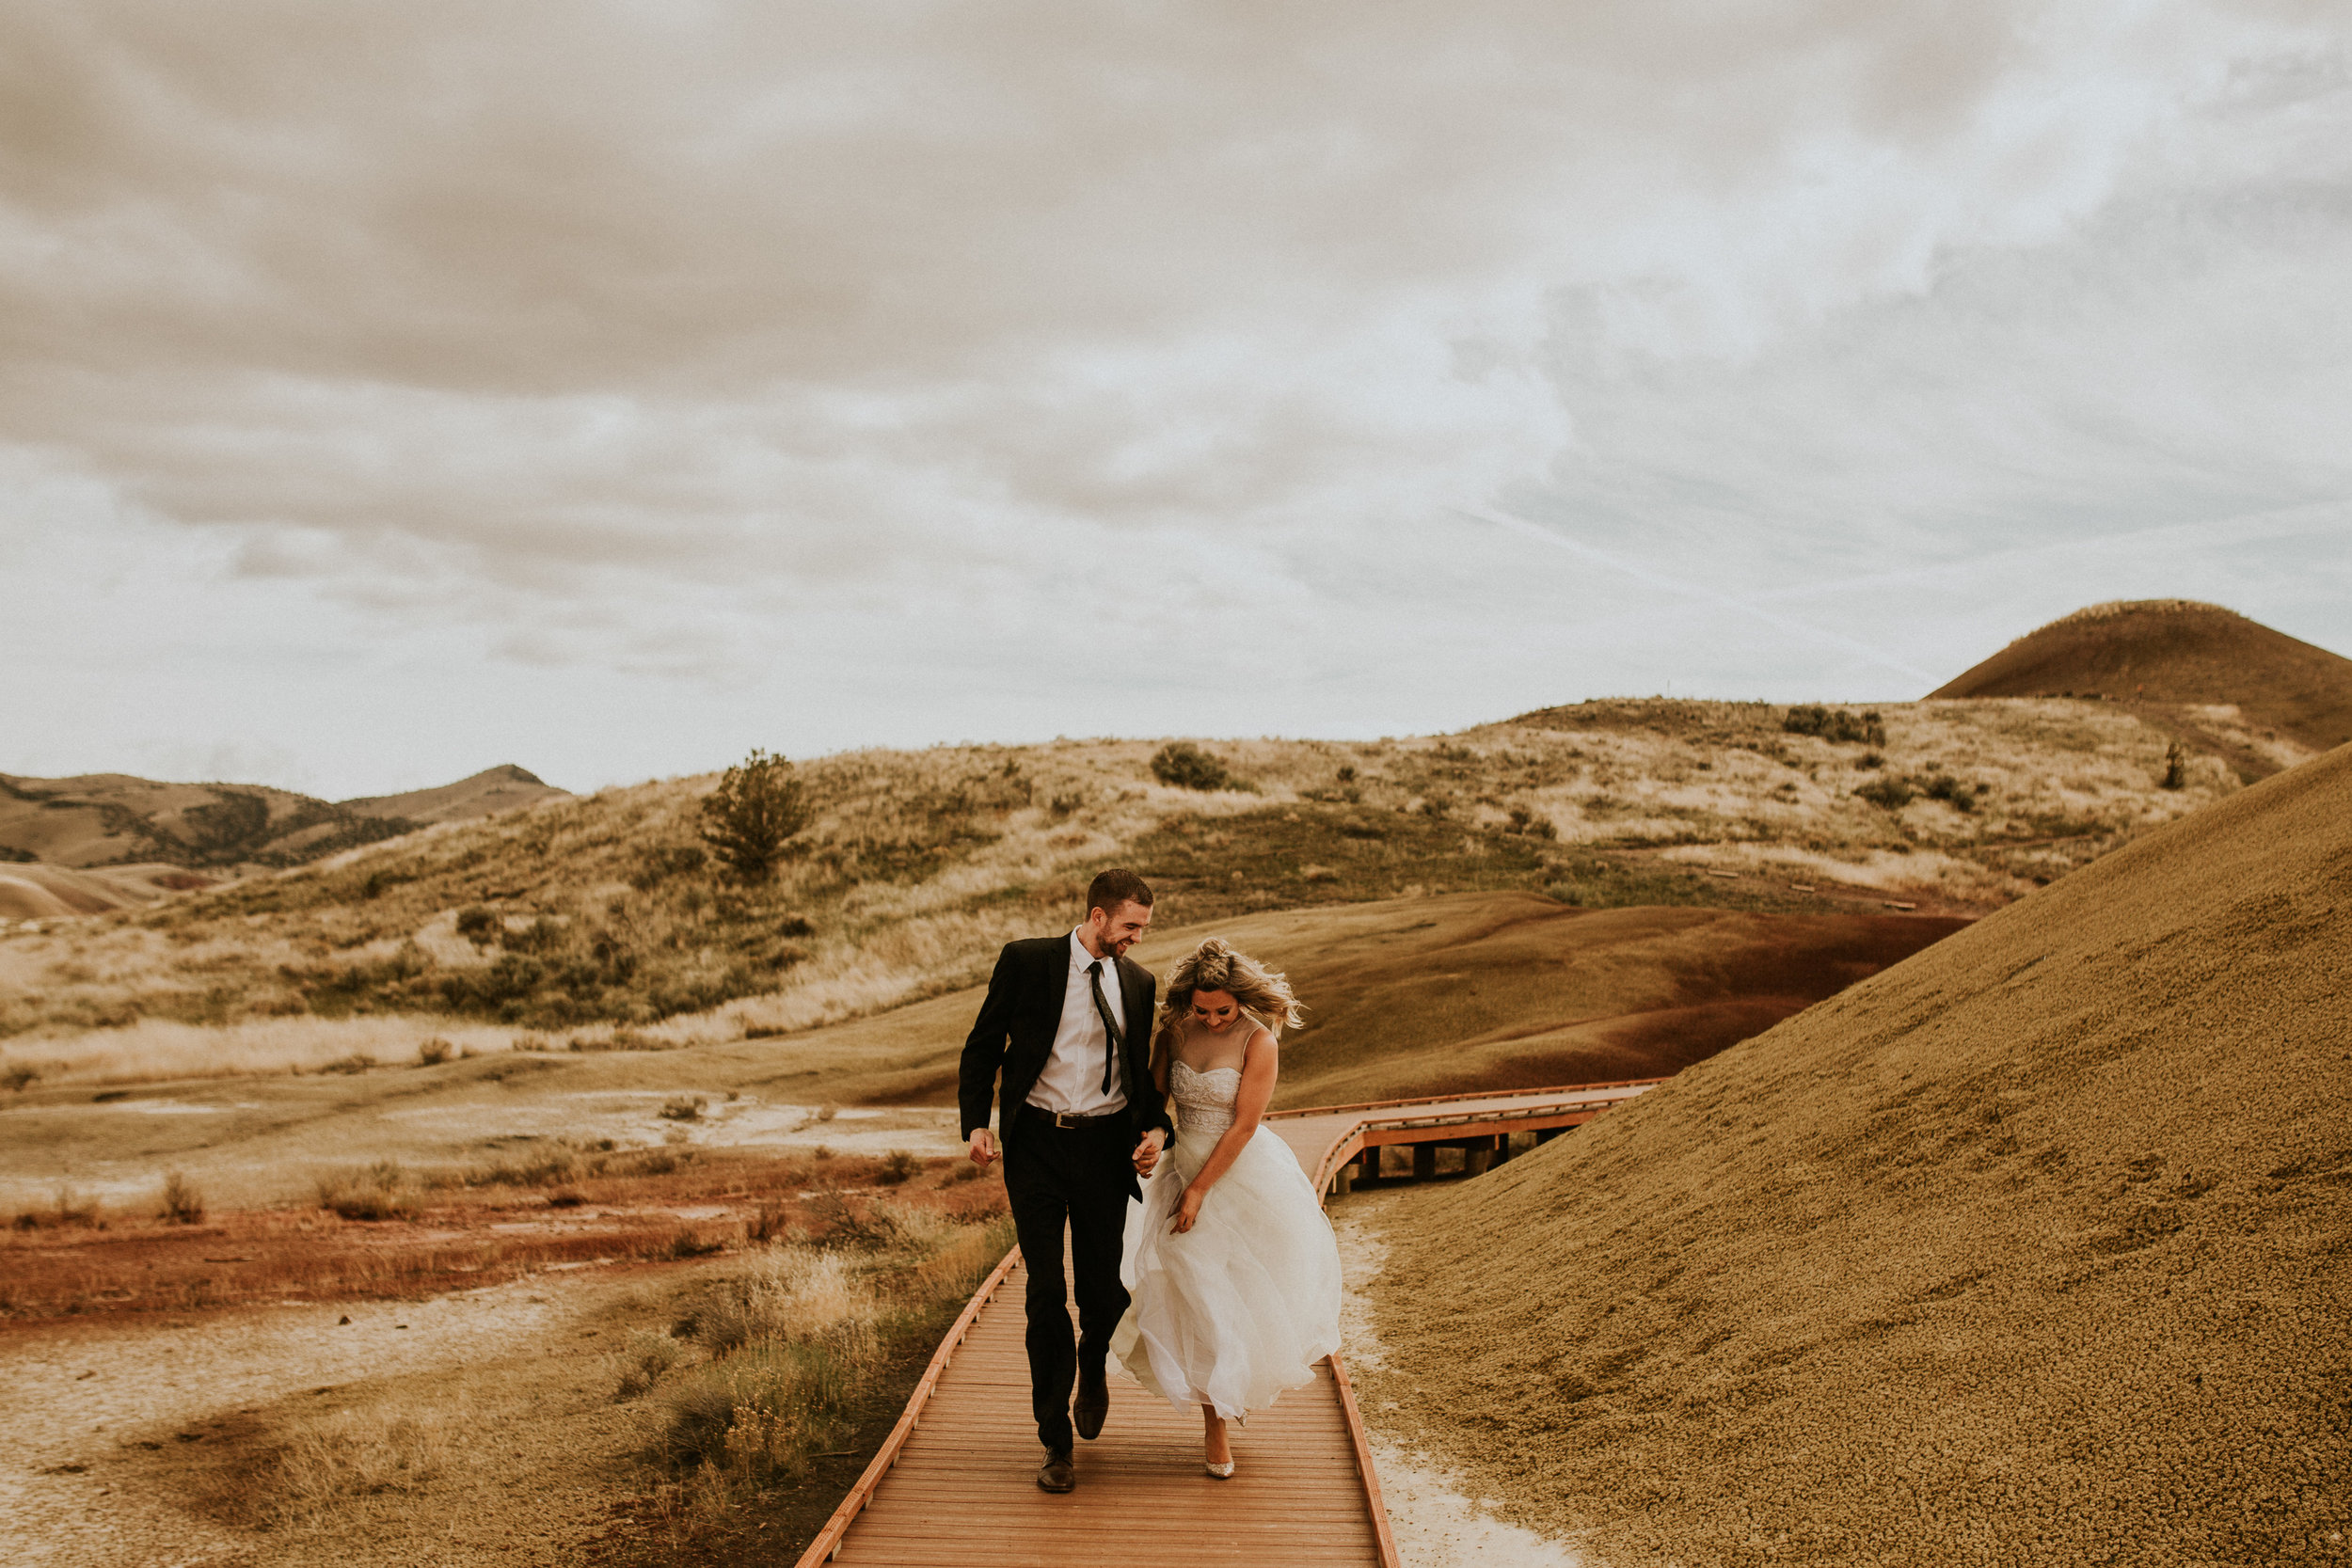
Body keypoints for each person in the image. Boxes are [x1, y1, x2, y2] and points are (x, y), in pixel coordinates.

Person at [959, 868, 1174, 1494]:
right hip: (1038, 1148)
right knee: (1045, 1291)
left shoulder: (1138, 983)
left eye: (1144, 927)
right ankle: (1055, 1440)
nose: (1137, 937)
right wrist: (977, 1124)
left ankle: (1094, 1363)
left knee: (1103, 1294)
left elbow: (1144, 1083)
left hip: (1106, 1149)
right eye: (1131, 925)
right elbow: (982, 1045)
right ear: (1099, 915)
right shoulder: (1027, 961)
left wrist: (1155, 1134)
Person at [1111, 937, 1343, 1478]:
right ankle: (1215, 1414)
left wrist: (1199, 1190)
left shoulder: (1259, 1042)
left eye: (1223, 1010)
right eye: (1202, 1010)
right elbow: (1156, 1101)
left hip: (1238, 1174)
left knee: (1233, 1293)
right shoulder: (1173, 1031)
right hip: (1179, 1163)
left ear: (1240, 1000)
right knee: (1192, 1291)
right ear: (1187, 1002)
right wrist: (1149, 1142)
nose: (1213, 1020)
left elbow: (1243, 1126)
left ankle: (1224, 1402)